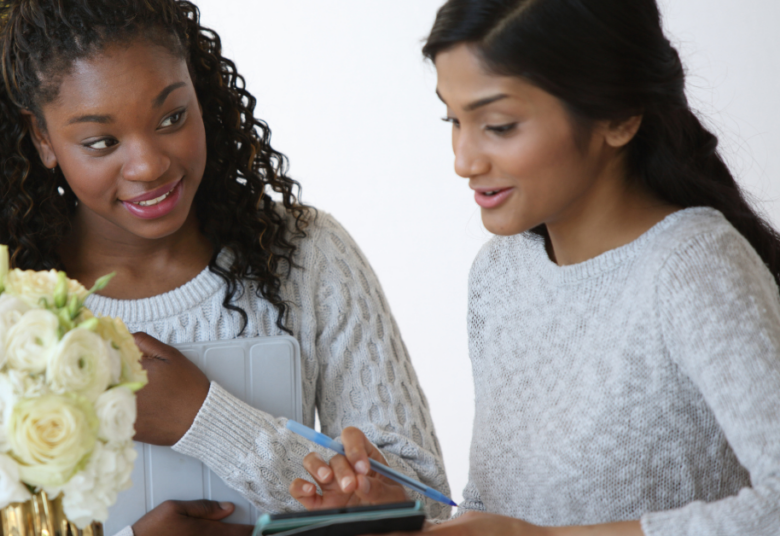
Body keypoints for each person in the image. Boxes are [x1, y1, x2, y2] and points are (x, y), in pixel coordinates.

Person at [0, 1, 450, 535]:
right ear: (42, 138)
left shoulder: (305, 255)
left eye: (172, 118)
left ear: (199, 93)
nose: (149, 165)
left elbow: (431, 503)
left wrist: (204, 419)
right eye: (101, 143)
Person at [290, 0, 780, 534]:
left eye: (498, 125)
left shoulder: (693, 266)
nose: (464, 160)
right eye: (453, 119)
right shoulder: (501, 273)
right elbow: (499, 508)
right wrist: (406, 516)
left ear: (619, 115)